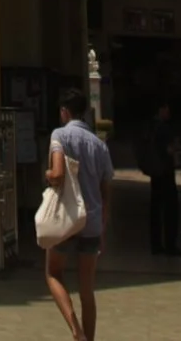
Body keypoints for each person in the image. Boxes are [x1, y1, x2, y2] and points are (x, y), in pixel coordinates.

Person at [46, 88, 114, 341]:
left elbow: (57, 173)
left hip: (66, 219)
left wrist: (48, 176)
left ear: (64, 111)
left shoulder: (59, 135)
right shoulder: (99, 145)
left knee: (53, 273)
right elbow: (106, 190)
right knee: (87, 289)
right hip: (92, 221)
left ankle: (76, 330)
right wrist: (103, 227)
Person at [141, 101, 181, 256]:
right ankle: (171, 244)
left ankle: (156, 244)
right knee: (170, 209)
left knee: (155, 209)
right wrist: (176, 146)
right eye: (166, 108)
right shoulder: (164, 128)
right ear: (161, 110)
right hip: (165, 171)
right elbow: (170, 150)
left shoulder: (150, 126)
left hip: (155, 172)